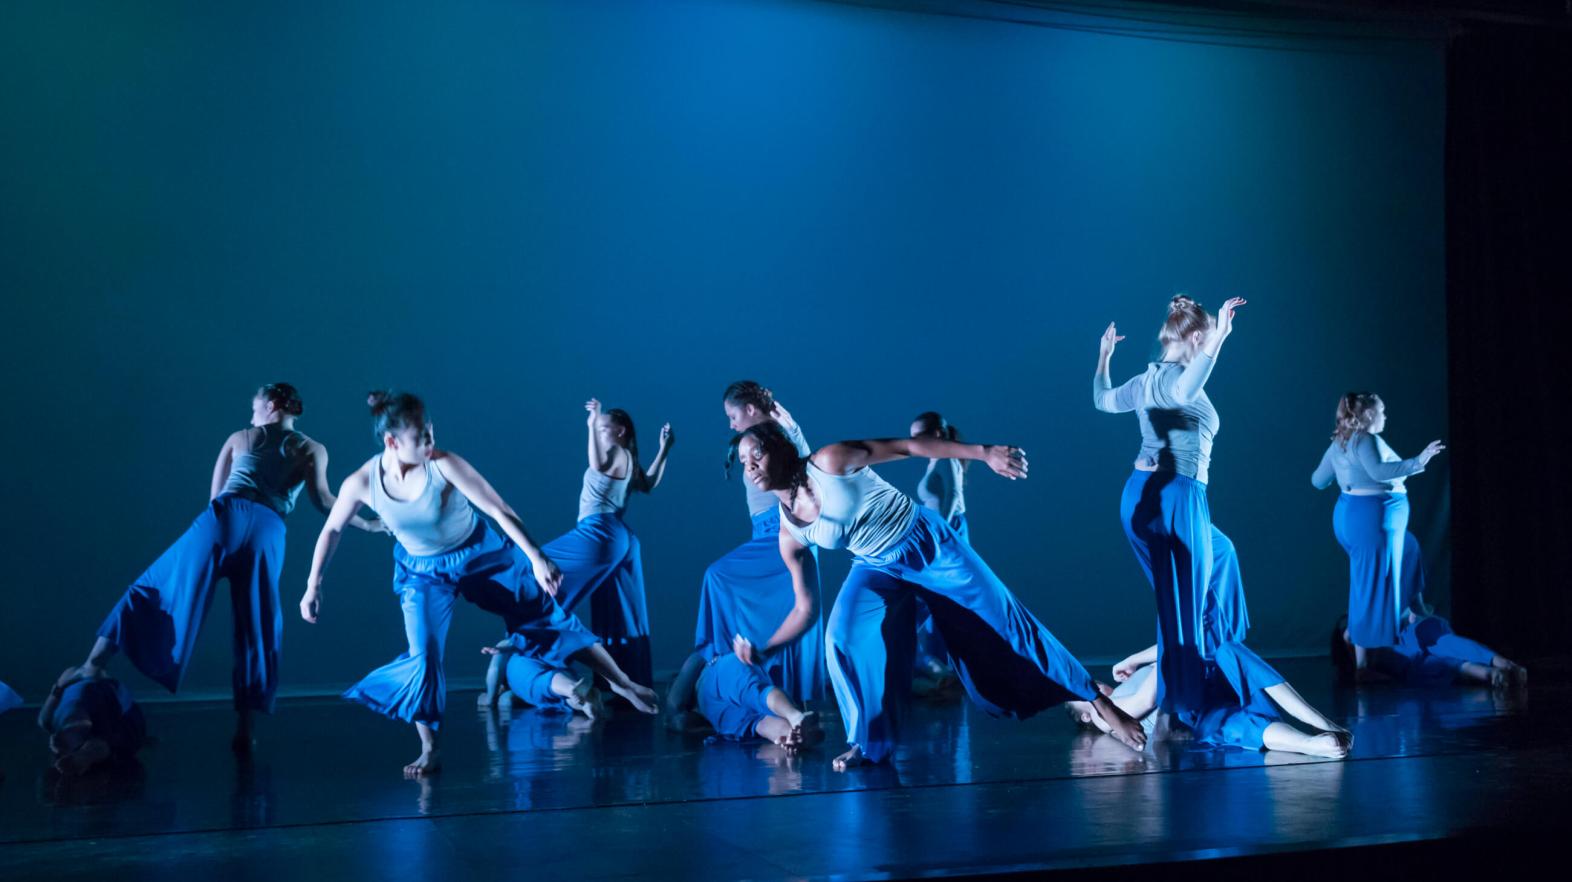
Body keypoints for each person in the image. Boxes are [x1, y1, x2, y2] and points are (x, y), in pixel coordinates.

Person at [735, 421, 1145, 770]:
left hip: (926, 543)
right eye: (743, 463)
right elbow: (805, 609)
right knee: (840, 638)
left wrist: (983, 453)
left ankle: (1096, 699)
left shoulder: (829, 461)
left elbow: (907, 446)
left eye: (757, 455)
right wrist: (765, 648)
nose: (750, 468)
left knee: (1006, 619)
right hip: (877, 566)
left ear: (779, 449)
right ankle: (869, 744)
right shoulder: (790, 535)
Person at [300, 391, 658, 777]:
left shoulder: (443, 464)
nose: (431, 442)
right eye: (421, 437)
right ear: (392, 442)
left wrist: (537, 557)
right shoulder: (363, 481)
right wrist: (312, 584)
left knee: (545, 616)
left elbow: (497, 508)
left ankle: (622, 683)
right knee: (424, 656)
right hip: (421, 573)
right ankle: (429, 748)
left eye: (431, 432)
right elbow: (332, 529)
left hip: (478, 554)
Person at [83, 383, 380, 751]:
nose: (251, 414)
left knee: (156, 585)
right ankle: (245, 726)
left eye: (254, 407)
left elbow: (215, 497)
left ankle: (94, 663)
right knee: (256, 625)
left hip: (224, 518)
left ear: (270, 405)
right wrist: (367, 524)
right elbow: (324, 501)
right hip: (267, 529)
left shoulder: (241, 437)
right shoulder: (312, 448)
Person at [1093, 295, 1243, 720]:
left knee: (1222, 555)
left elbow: (1102, 400)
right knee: (1182, 604)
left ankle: (1207, 665)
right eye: (1208, 336)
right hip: (1174, 497)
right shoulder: (1173, 379)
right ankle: (1180, 706)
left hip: (1148, 496)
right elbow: (1183, 389)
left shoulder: (1145, 380)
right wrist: (1223, 338)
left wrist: (1104, 358)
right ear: (1197, 336)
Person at [666, 382, 824, 729]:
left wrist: (793, 429)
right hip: (765, 533)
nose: (731, 424)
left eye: (733, 415)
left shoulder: (780, 433)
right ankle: (741, 676)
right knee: (778, 605)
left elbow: (807, 467)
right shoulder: (758, 440)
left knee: (718, 577)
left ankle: (711, 667)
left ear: (751, 409)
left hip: (781, 531)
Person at [539, 398, 672, 688]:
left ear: (620, 431)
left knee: (535, 566)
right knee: (619, 612)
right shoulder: (627, 458)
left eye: (603, 429)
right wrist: (664, 449)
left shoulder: (616, 454)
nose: (599, 434)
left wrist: (591, 422)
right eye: (597, 430)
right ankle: (622, 683)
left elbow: (596, 462)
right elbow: (647, 484)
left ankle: (538, 665)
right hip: (619, 538)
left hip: (600, 531)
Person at [1311, 392, 1445, 672]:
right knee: (1367, 586)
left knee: (1408, 549)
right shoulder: (1364, 439)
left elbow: (1318, 480)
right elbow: (1380, 472)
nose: (1386, 416)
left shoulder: (1342, 442)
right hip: (1370, 521)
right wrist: (1420, 459)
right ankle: (1360, 659)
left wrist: (1346, 473)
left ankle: (1412, 606)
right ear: (1369, 414)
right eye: (1382, 411)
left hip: (1355, 519)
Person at [37, 667, 147, 775]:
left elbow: (47, 713)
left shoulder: (49, 720)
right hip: (114, 725)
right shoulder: (111, 724)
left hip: (104, 726)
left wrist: (58, 689)